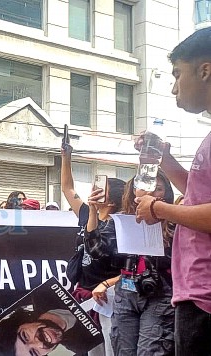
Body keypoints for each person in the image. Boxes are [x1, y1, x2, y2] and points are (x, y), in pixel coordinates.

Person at [133, 27, 211, 355]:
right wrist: (165, 159)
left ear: (205, 70)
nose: (174, 87)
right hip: (196, 291)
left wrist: (158, 209)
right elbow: (199, 196)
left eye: (178, 75)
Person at [61, 142, 125, 356]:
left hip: (105, 298)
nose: (95, 191)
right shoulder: (89, 213)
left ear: (113, 201)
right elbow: (68, 189)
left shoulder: (120, 227)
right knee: (84, 350)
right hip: (82, 295)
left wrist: (107, 285)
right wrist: (66, 157)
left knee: (106, 350)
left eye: (102, 190)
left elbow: (96, 247)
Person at [105, 175, 175, 355]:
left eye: (158, 188)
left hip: (161, 295)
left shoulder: (174, 222)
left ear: (166, 193)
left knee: (150, 351)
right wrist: (92, 212)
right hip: (126, 293)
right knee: (123, 350)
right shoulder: (120, 220)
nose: (151, 193)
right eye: (146, 187)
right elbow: (99, 256)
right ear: (134, 191)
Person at [0, 306, 84, 355]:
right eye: (34, 353)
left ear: (24, 322)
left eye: (25, 336)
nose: (40, 344)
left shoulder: (44, 291)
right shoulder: (82, 345)